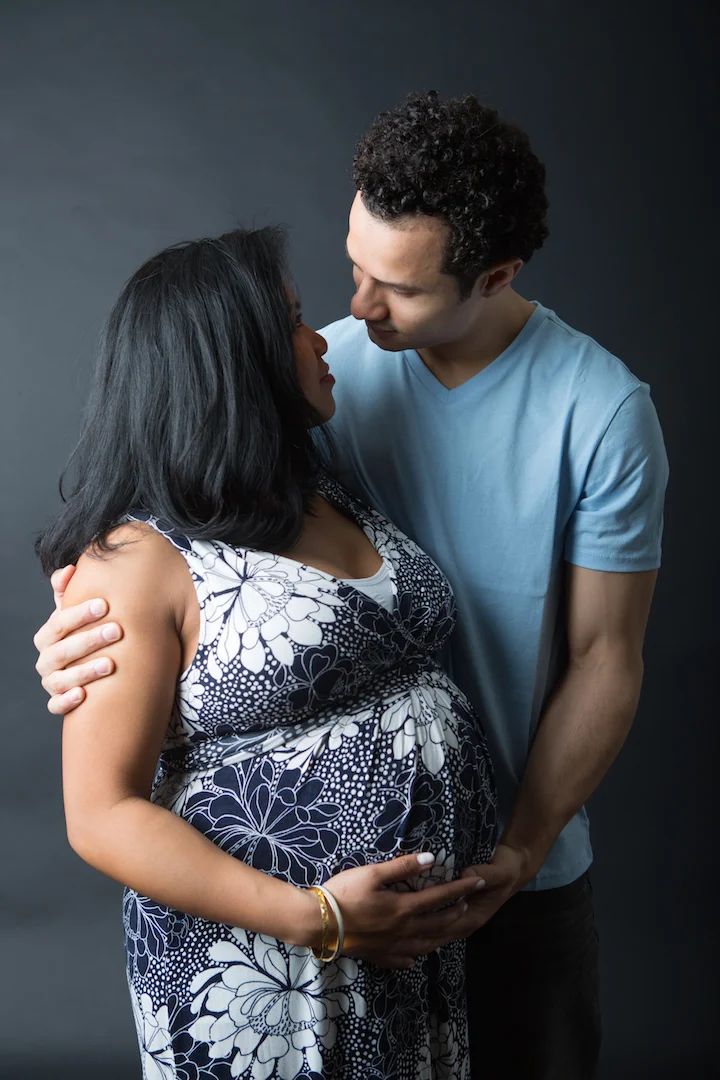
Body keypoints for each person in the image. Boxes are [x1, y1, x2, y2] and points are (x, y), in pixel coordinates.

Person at [34, 92, 669, 1079]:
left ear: (495, 276)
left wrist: (522, 847)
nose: (358, 313)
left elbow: (604, 658)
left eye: (399, 289)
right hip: (306, 926)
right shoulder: (310, 388)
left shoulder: (602, 413)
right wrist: (79, 629)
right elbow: (185, 536)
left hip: (517, 872)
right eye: (353, 269)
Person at [35, 226, 497, 1079]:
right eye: (292, 322)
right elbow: (100, 814)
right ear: (229, 360)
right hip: (260, 970)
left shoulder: (324, 488)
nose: (321, 339)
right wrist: (317, 917)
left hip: (405, 952)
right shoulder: (135, 561)